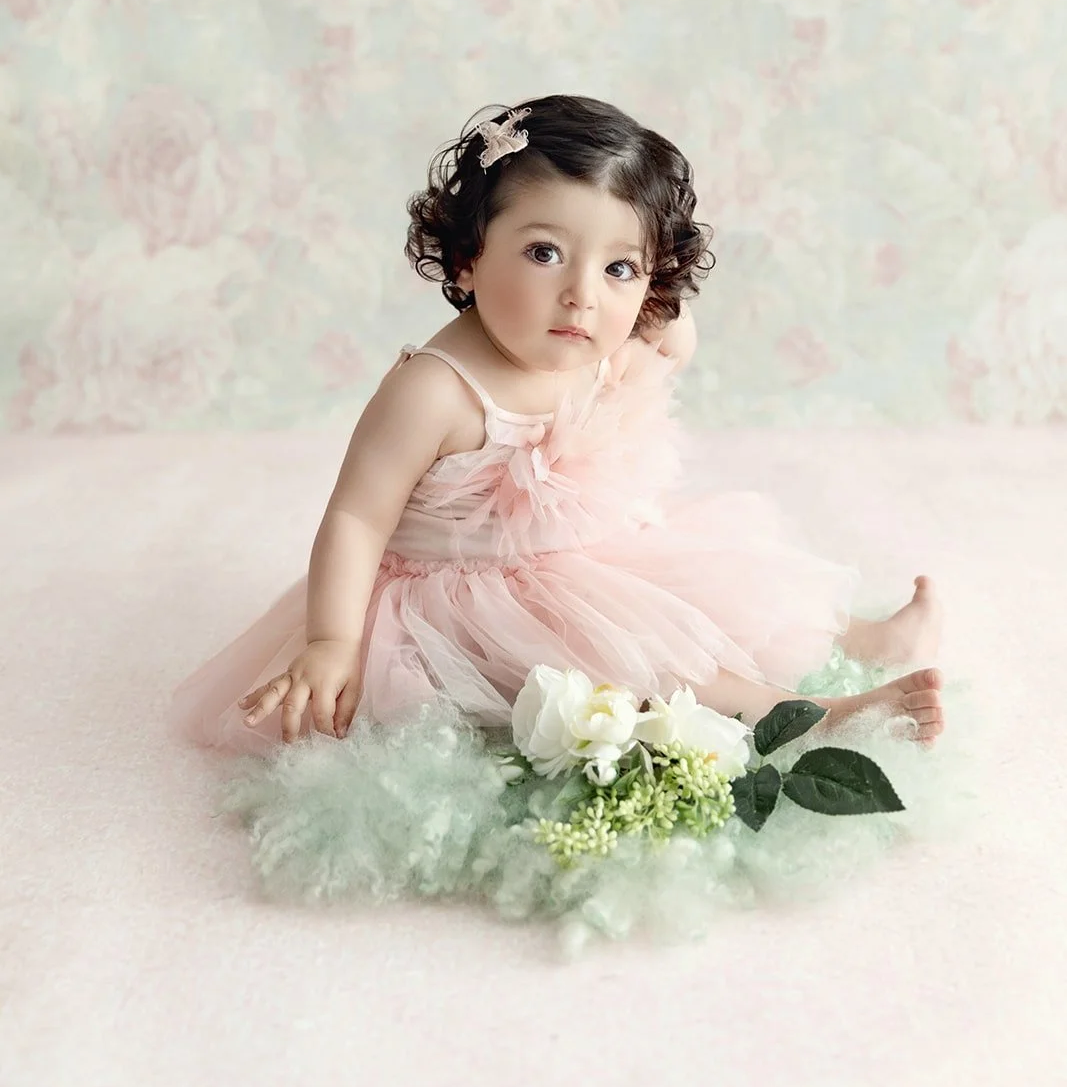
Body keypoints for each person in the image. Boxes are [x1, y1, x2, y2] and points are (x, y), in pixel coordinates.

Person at [170, 94, 944, 757]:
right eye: (545, 252)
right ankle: (806, 721)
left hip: (589, 557)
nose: (581, 296)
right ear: (467, 258)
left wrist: (650, 308)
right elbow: (354, 518)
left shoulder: (597, 336)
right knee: (644, 658)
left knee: (710, 588)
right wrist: (333, 642)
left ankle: (865, 642)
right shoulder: (435, 391)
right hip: (463, 601)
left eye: (617, 269)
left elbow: (674, 338)